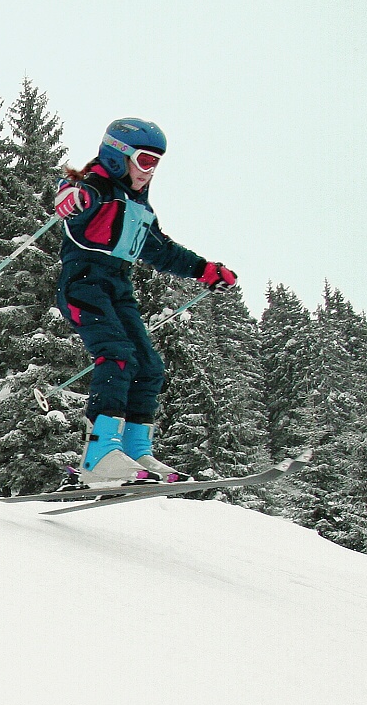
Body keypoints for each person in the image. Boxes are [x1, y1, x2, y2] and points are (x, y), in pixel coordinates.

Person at [54, 118, 237, 485]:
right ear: (119, 157)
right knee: (117, 355)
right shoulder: (94, 188)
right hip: (83, 284)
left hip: (118, 288)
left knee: (149, 366)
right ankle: (100, 453)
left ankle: (136, 451)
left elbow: (161, 250)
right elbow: (71, 198)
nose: (150, 172)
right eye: (145, 161)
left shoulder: (138, 206)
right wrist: (71, 197)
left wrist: (204, 269)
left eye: (156, 163)